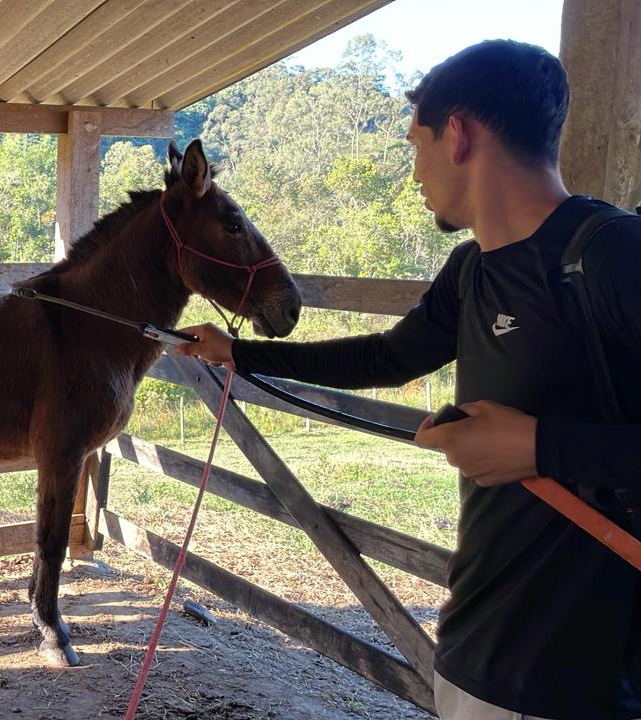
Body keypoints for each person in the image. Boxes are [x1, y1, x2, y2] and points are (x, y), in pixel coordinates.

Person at [176, 40, 641, 719]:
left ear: (457, 135)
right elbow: (385, 360)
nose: (413, 172)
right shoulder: (473, 270)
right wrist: (239, 356)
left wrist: (539, 448)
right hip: (474, 647)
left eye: (414, 144)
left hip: (580, 682)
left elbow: (546, 446)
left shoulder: (608, 254)